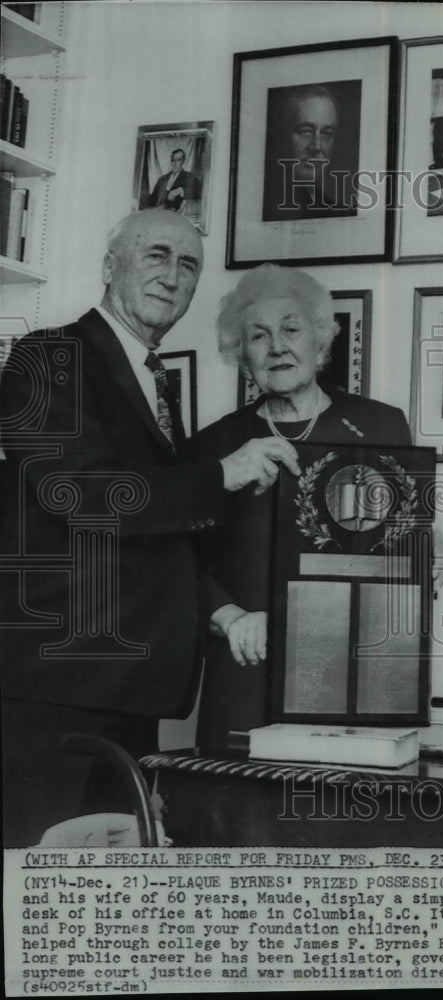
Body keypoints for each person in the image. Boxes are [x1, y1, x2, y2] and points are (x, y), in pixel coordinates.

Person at [0, 209, 300, 846]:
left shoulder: (151, 373)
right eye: (156, 255)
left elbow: (153, 534)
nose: (172, 275)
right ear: (112, 267)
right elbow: (79, 494)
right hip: (57, 690)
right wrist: (219, 473)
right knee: (35, 892)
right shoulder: (48, 355)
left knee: (102, 902)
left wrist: (221, 616)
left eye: (188, 264)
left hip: (126, 692)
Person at [191, 263, 429, 745]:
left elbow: (398, 545)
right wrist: (229, 617)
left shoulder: (380, 426)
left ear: (320, 342)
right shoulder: (211, 446)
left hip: (352, 670)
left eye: (291, 329)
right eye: (258, 336)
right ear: (242, 355)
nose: (277, 346)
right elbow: (179, 558)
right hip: (247, 662)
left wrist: (424, 542)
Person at [262, 84, 356, 220]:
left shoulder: (334, 211)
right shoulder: (262, 204)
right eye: (305, 131)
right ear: (282, 135)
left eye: (326, 133)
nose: (316, 146)